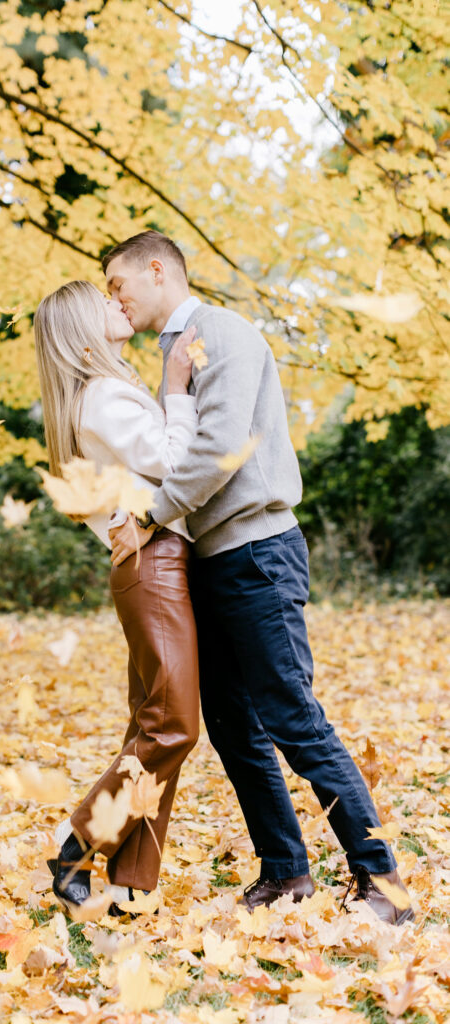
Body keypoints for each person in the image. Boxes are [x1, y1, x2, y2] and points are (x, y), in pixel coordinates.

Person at [105, 230, 414, 926]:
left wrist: (151, 512)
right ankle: (285, 873)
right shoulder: (170, 351)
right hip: (213, 561)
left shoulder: (223, 333)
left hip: (256, 552)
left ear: (157, 270)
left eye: (118, 283)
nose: (115, 298)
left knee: (291, 720)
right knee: (232, 727)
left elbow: (218, 449)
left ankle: (380, 882)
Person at [33, 279, 201, 913]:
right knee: (174, 724)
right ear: (82, 326)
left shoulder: (105, 392)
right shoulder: (102, 396)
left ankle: (132, 880)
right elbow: (171, 461)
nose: (118, 304)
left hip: (156, 559)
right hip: (151, 562)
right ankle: (79, 838)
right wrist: (178, 392)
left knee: (152, 722)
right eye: (104, 301)